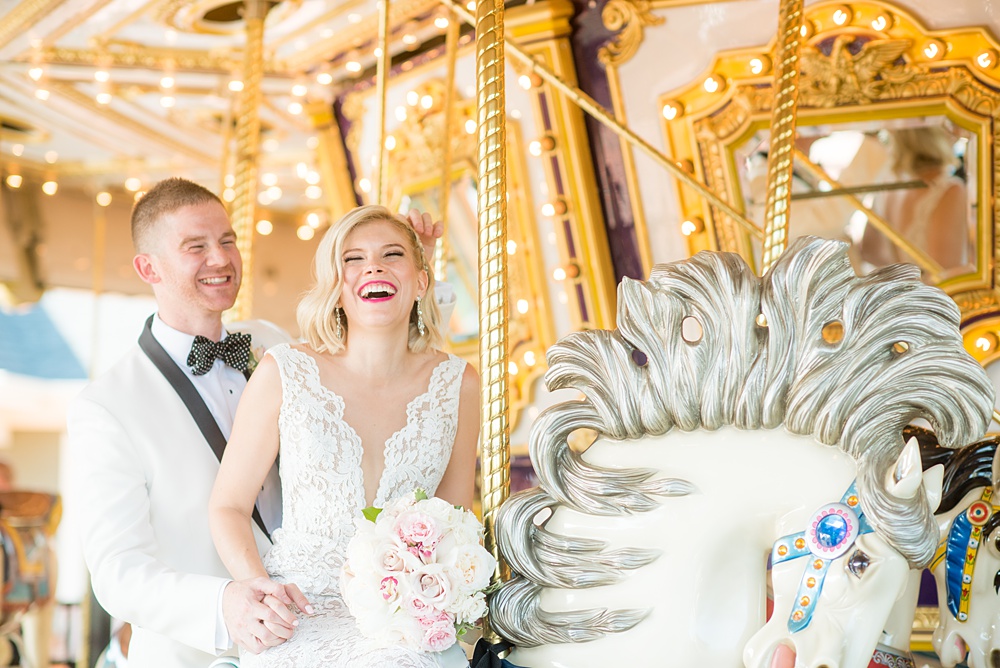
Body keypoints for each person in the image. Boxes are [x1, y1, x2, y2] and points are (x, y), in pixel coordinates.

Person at [66, 178, 454, 668]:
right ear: (149, 268)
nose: (221, 258)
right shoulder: (108, 406)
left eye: (227, 240)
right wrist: (224, 602)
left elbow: (376, 365)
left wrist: (421, 268)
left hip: (330, 620)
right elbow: (116, 571)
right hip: (201, 647)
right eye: (196, 247)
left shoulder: (271, 344)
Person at [208, 205, 479, 667]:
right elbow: (228, 506)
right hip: (299, 609)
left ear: (421, 282)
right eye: (352, 259)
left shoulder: (458, 384)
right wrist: (259, 590)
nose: (372, 266)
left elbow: (454, 520)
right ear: (336, 289)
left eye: (392, 254)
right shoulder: (284, 372)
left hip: (403, 619)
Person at [860, 126, 970, 273]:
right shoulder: (949, 190)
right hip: (936, 294)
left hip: (907, 291)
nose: (957, 131)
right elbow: (945, 274)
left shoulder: (890, 184)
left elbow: (869, 251)